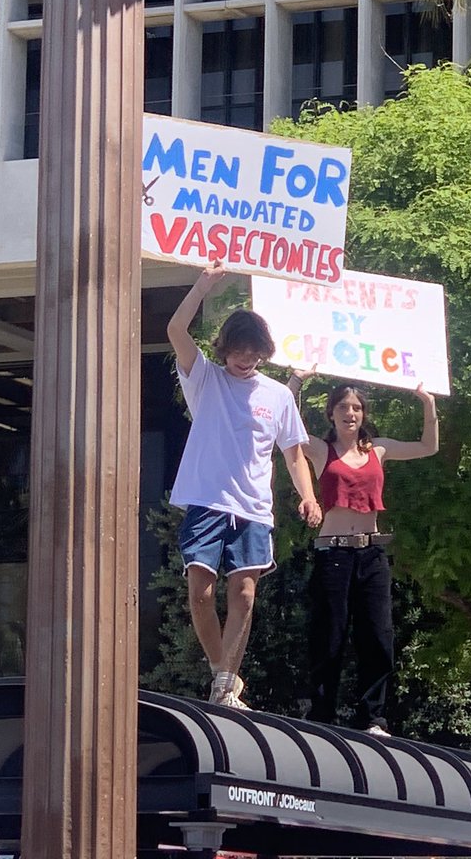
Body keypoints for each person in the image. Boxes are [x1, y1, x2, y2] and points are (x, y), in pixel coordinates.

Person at [167, 265, 322, 710]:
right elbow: (176, 329)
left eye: (254, 354)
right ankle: (223, 672)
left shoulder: (278, 395)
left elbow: (293, 452)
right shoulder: (205, 378)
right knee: (201, 592)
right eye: (238, 352)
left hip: (254, 507)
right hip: (207, 500)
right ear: (225, 349)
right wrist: (203, 285)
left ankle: (224, 684)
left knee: (246, 594)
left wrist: (307, 495)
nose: (245, 360)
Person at [287, 374, 438, 735]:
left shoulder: (378, 450)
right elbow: (287, 429)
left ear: (364, 414)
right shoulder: (323, 450)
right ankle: (322, 715)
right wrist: (294, 381)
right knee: (330, 636)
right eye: (343, 407)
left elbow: (427, 446)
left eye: (356, 408)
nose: (350, 413)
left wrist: (428, 404)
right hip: (333, 554)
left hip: (371, 554)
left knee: (377, 635)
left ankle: (374, 717)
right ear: (331, 414)